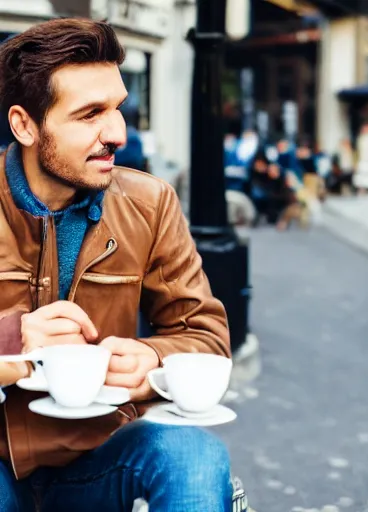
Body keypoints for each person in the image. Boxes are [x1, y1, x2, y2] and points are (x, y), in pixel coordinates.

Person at [0, 19, 234, 511]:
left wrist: (154, 359)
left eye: (117, 108)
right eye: (89, 115)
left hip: (101, 457)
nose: (118, 133)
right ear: (24, 125)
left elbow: (206, 337)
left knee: (195, 456)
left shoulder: (150, 202)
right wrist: (13, 339)